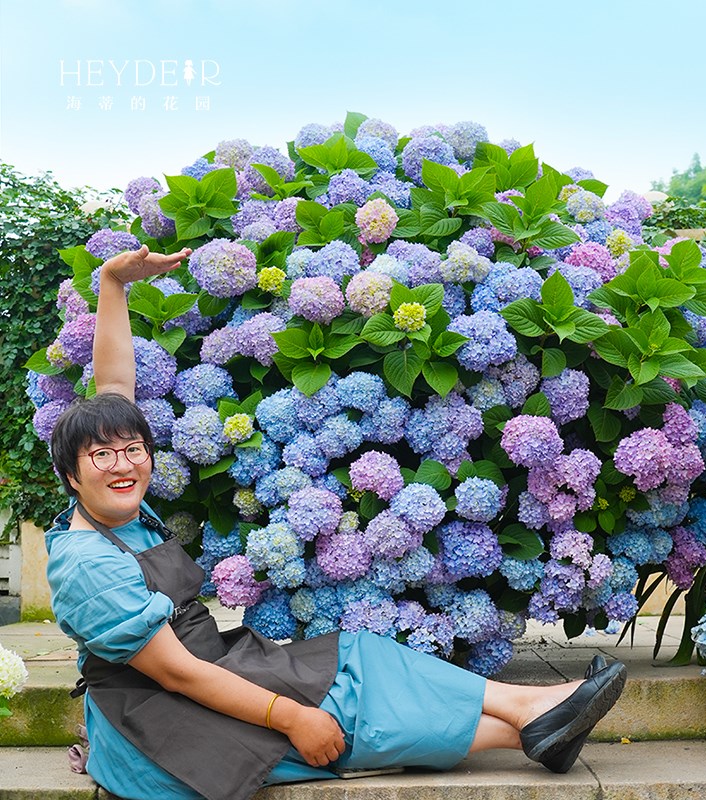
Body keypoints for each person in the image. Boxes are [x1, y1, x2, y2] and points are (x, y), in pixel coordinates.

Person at [45, 246, 627, 800]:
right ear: (71, 475)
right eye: (101, 456)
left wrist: (112, 284)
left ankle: (534, 715)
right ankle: (537, 715)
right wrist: (293, 717)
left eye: (132, 450)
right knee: (336, 714)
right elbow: (176, 674)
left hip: (209, 663)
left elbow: (113, 390)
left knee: (355, 655)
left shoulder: (114, 494)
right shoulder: (87, 563)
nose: (122, 464)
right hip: (156, 722)